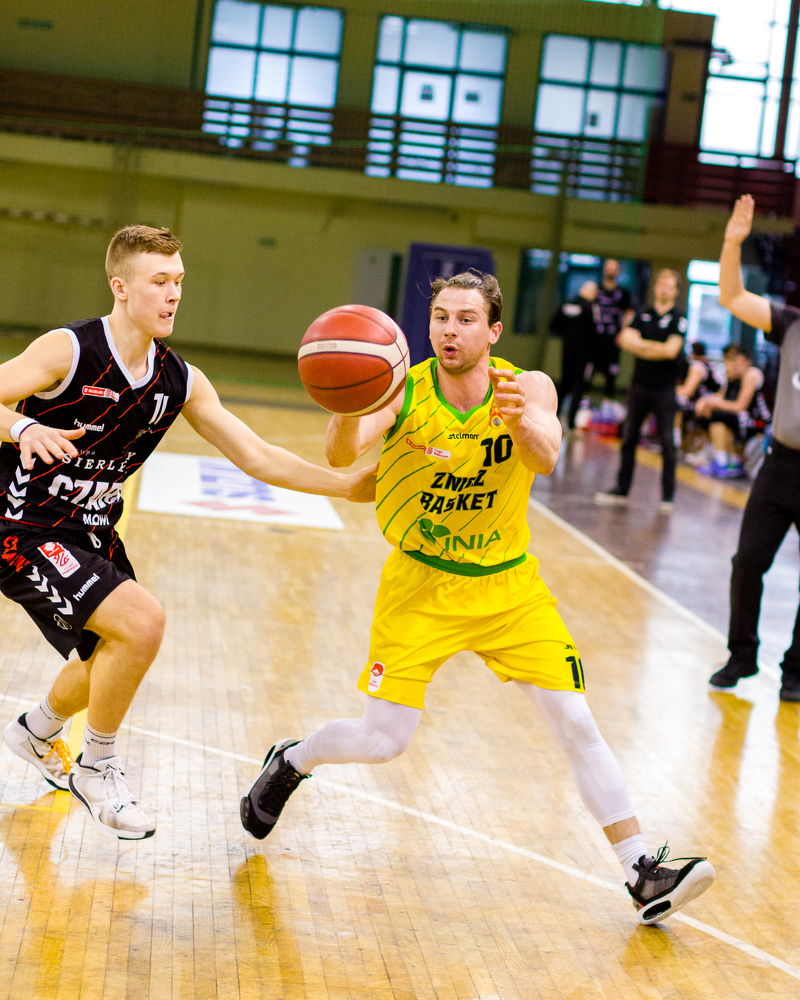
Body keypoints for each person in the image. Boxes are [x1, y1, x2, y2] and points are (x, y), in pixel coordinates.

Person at [239, 270, 715, 925]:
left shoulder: (527, 387)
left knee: (576, 721)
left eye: (465, 319)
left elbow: (546, 457)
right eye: (440, 317)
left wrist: (521, 424)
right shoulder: (402, 389)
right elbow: (342, 452)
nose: (449, 330)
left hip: (508, 588)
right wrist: (350, 400)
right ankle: (293, 760)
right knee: (382, 741)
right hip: (421, 586)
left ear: (493, 331)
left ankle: (640, 870)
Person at [0, 225, 376, 840]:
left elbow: (256, 455)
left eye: (178, 281)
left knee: (109, 656)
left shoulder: (180, 380)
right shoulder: (68, 351)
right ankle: (97, 766)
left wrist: (346, 485)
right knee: (141, 624)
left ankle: (36, 731)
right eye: (159, 281)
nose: (173, 293)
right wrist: (22, 428)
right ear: (121, 287)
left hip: (90, 530)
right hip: (21, 523)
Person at [707, 195, 800, 701]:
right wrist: (731, 244)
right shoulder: (791, 324)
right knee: (747, 562)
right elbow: (732, 295)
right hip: (780, 467)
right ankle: (742, 655)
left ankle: (796, 670)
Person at [594, 269, 687, 511]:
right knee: (629, 438)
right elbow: (625, 341)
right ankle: (622, 489)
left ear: (675, 292)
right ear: (656, 288)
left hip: (665, 388)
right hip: (639, 385)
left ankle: (667, 497)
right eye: (662, 285)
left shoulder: (678, 318)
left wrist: (641, 346)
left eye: (670, 286)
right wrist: (656, 348)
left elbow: (671, 350)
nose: (665, 289)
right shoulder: (642, 313)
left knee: (668, 443)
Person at [694, 344, 770, 478]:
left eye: (738, 362)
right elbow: (720, 397)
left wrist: (715, 403)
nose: (735, 365)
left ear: (747, 362)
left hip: (759, 422)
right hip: (743, 418)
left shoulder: (751, 374)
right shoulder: (732, 375)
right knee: (711, 413)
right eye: (733, 361)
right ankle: (723, 457)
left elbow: (740, 406)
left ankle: (723, 460)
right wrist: (704, 401)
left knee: (717, 416)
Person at [550, 280, 598, 432]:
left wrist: (568, 335)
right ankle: (571, 423)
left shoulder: (566, 305)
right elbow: (595, 332)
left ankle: (554, 418)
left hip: (567, 352)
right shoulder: (590, 308)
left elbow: (554, 325)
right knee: (578, 388)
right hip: (584, 355)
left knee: (564, 385)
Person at [594, 259, 632, 398]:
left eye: (613, 268)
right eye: (608, 268)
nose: (610, 271)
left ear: (618, 271)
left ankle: (607, 400)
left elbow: (629, 313)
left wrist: (622, 333)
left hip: (613, 339)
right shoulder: (596, 290)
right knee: (589, 370)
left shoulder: (623, 292)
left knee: (611, 372)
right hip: (595, 338)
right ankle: (583, 403)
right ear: (604, 270)